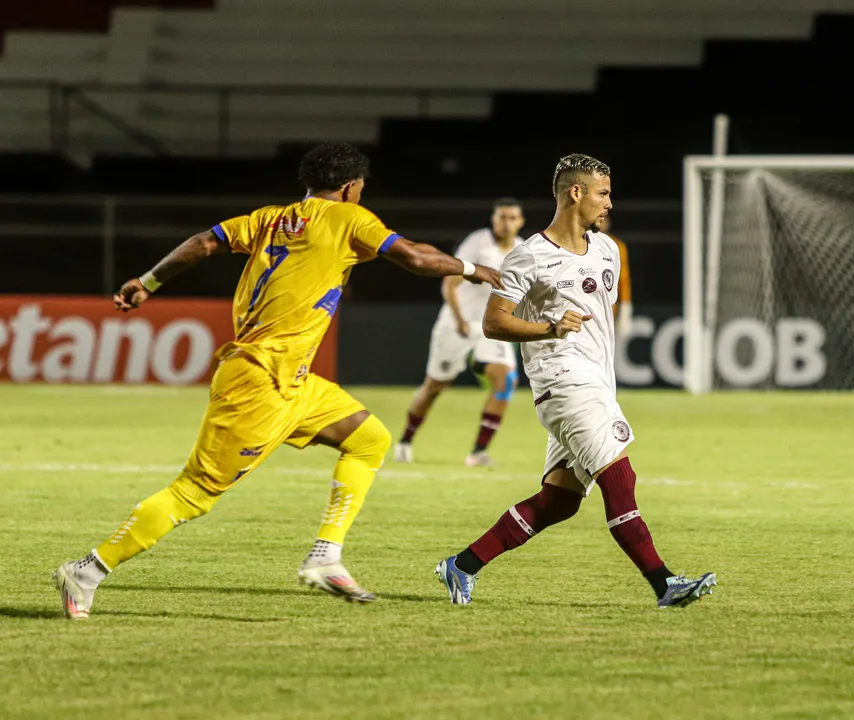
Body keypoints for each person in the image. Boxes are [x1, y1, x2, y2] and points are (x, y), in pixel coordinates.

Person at [53, 142, 503, 619]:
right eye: (361, 188)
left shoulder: (270, 217)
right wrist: (475, 270)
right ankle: (86, 572)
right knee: (194, 493)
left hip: (295, 380)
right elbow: (413, 256)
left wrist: (148, 281)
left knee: (369, 439)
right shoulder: (350, 218)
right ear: (351, 187)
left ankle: (325, 556)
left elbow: (204, 242)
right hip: (260, 380)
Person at [434, 154, 716, 608]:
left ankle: (462, 565)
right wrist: (550, 327)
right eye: (603, 192)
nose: (610, 201)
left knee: (558, 502)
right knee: (619, 476)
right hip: (563, 384)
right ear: (575, 193)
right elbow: (493, 323)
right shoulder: (529, 256)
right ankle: (664, 584)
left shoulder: (606, 249)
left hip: (597, 383)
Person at [395, 198, 525, 467]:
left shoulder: (523, 249)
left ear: (520, 221)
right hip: (456, 324)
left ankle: (478, 453)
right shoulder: (478, 243)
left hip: (489, 328)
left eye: (512, 218)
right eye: (502, 217)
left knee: (506, 383)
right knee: (434, 387)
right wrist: (459, 319)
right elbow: (450, 281)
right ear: (493, 219)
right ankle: (405, 441)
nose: (507, 223)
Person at [596, 215, 633, 339]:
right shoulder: (580, 242)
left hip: (609, 304)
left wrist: (625, 308)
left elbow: (623, 279)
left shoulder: (616, 245)